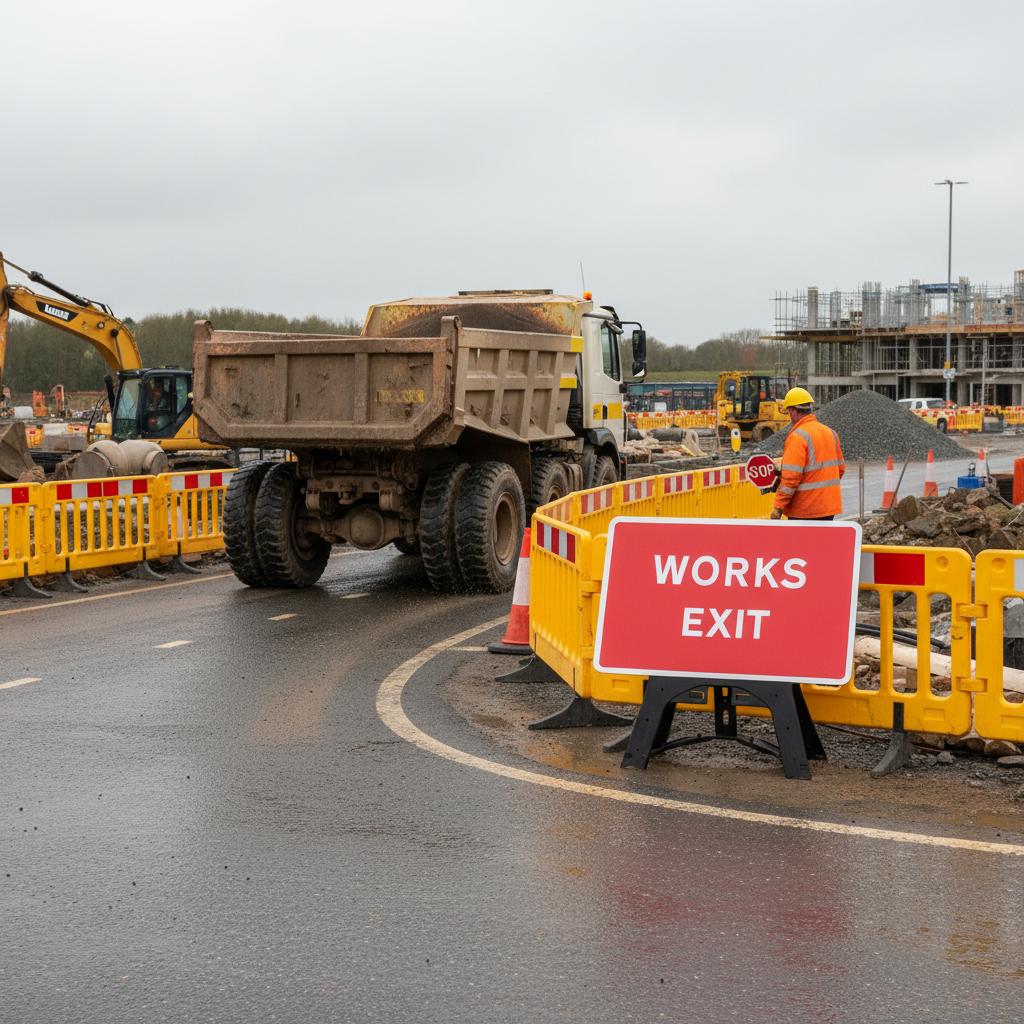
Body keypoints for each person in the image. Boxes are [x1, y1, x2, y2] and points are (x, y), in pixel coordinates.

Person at [770, 387, 845, 521]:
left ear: (792, 411)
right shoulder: (830, 433)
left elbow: (791, 479)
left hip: (804, 510)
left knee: (801, 542)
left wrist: (778, 507)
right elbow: (840, 469)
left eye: (788, 412)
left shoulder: (797, 436)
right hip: (828, 508)